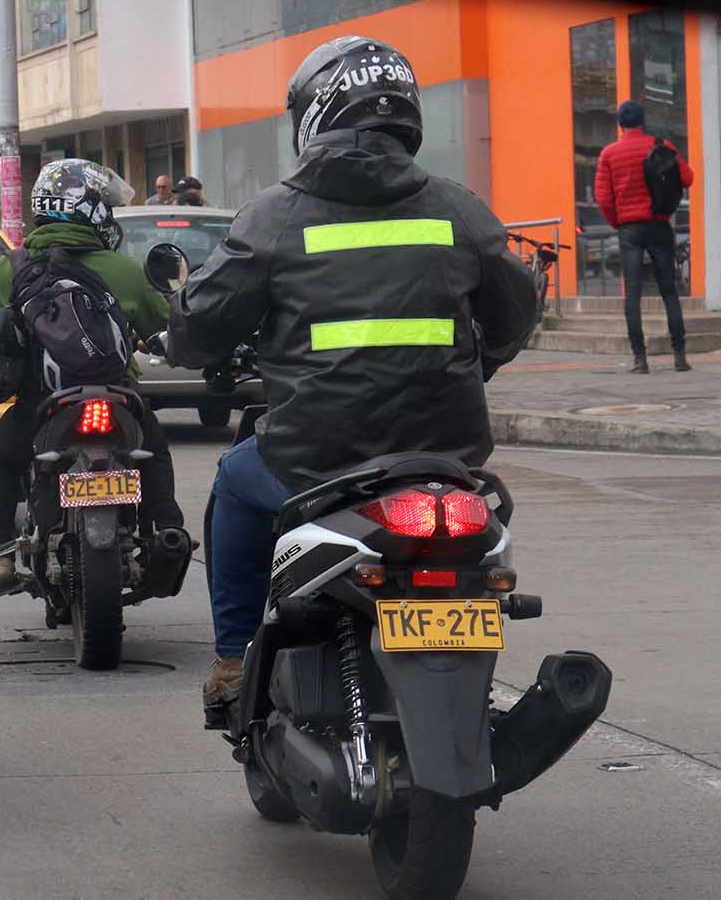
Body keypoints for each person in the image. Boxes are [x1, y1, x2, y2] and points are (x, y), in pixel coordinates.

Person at [162, 36, 537, 710]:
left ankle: (232, 658)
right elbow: (513, 315)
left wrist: (181, 331)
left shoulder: (274, 216)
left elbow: (200, 328)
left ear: (313, 114)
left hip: (313, 456)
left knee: (232, 482)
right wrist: (474, 365)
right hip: (441, 455)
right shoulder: (458, 208)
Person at [0, 158, 185, 596]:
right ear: (89, 210)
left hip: (41, 405)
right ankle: (167, 535)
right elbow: (171, 327)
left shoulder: (15, 267)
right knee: (154, 452)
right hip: (120, 397)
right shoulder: (126, 270)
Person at [593, 99, 695, 373]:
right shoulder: (661, 147)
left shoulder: (609, 154)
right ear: (642, 121)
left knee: (633, 293)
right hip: (660, 225)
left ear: (620, 123)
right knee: (669, 291)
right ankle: (679, 356)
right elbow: (688, 178)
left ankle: (640, 359)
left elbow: (603, 197)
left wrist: (619, 222)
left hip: (630, 229)